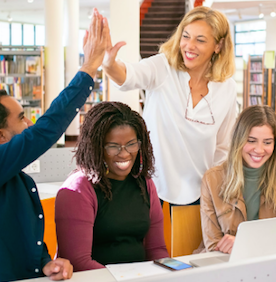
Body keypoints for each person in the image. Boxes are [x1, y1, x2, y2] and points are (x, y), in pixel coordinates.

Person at [0, 9, 108, 281]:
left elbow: (21, 234)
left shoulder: (15, 178)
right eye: (22, 118)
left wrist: (45, 263)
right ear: (0, 136)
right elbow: (44, 132)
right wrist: (88, 69)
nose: (29, 123)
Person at [102, 6, 238, 206]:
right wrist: (109, 64)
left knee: (190, 239)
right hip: (150, 187)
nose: (189, 46)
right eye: (186, 36)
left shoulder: (227, 88)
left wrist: (215, 189)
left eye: (200, 40)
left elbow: (223, 147)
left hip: (199, 192)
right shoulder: (163, 67)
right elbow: (129, 75)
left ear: (218, 46)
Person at [55, 102, 168, 271]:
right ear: (96, 147)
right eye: (113, 146)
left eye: (131, 144)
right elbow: (78, 262)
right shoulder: (77, 189)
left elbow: (156, 250)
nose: (124, 154)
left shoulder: (145, 184)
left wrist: (172, 274)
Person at [199, 106, 276, 253]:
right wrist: (269, 242)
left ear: (275, 144)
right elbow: (213, 246)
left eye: (267, 142)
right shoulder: (212, 179)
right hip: (228, 265)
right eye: (251, 141)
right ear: (239, 140)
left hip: (273, 262)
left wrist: (245, 243)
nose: (259, 150)